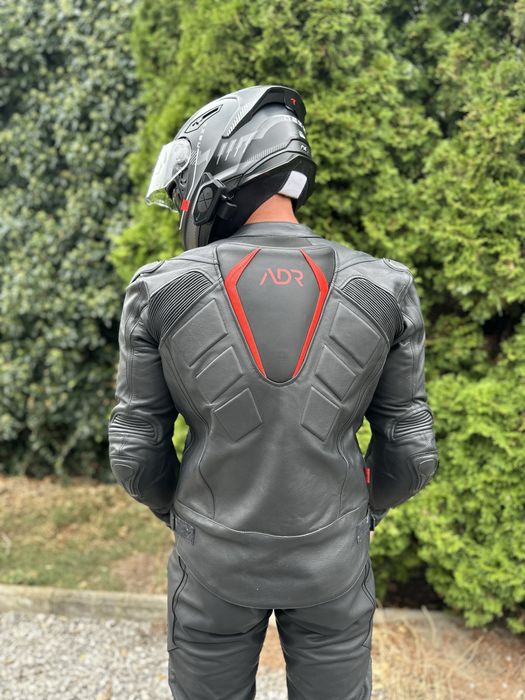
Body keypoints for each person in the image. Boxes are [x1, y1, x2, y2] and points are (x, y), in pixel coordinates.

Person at [108, 84, 439, 700]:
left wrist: (185, 517)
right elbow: (413, 453)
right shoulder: (383, 286)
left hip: (212, 563)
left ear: (219, 172)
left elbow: (134, 453)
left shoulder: (163, 289)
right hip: (334, 562)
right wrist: (361, 516)